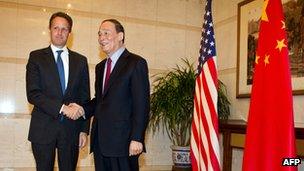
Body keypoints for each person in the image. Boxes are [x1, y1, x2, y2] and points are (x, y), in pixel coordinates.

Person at [66, 19, 150, 171]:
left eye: (106, 33)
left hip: (124, 144)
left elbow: (142, 104)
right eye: (99, 34)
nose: (101, 38)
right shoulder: (101, 67)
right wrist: (82, 109)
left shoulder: (136, 63)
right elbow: (100, 101)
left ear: (120, 36)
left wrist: (137, 138)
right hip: (100, 143)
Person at [26, 12, 90, 171]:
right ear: (50, 29)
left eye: (64, 29)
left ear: (70, 32)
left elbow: (85, 98)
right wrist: (62, 108)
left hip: (71, 130)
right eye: (56, 28)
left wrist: (84, 130)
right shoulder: (36, 57)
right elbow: (33, 93)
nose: (60, 32)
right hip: (43, 129)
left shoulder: (81, 61)